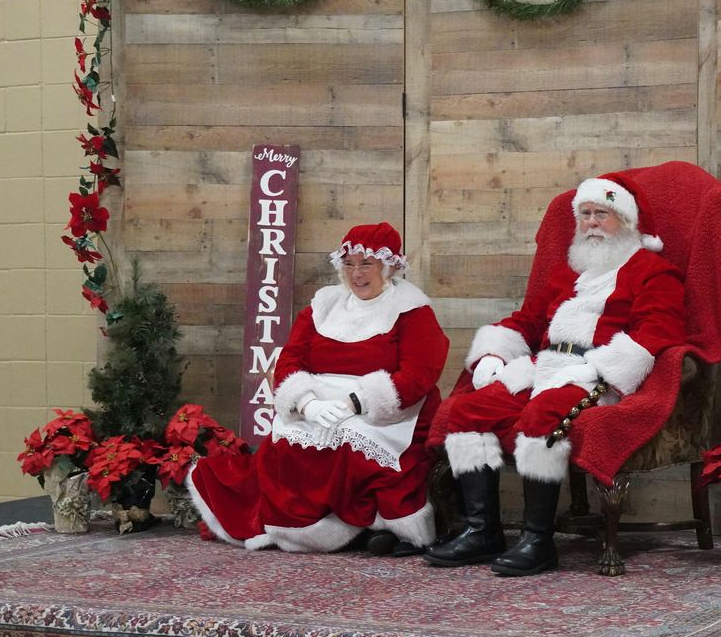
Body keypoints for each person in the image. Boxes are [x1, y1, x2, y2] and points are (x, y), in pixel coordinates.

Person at [427, 174, 686, 576]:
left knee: (542, 415)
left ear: (626, 221)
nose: (592, 223)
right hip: (543, 366)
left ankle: (538, 540)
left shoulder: (653, 272)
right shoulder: (569, 272)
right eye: (585, 215)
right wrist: (494, 353)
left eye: (602, 214)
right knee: (467, 411)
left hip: (592, 373)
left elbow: (657, 331)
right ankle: (482, 532)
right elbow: (528, 319)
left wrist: (599, 367)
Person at [188, 223, 449, 556]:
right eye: (349, 264)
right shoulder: (324, 305)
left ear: (388, 265)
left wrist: (357, 403)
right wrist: (306, 404)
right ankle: (309, 527)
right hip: (320, 402)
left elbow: (419, 373)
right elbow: (291, 358)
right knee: (285, 441)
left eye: (366, 264)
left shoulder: (413, 310)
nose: (357, 273)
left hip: (387, 410)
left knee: (350, 445)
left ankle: (369, 523)